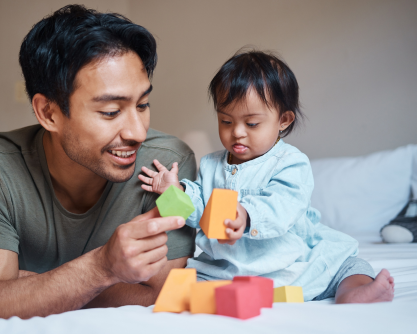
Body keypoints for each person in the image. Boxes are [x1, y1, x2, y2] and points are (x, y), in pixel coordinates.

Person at [0, 5, 196, 319]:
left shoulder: (168, 165)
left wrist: (31, 286)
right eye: (110, 112)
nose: (137, 132)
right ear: (48, 113)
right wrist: (102, 267)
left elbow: (162, 293)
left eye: (143, 104)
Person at [139, 50, 395, 303]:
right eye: (226, 121)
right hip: (226, 270)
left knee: (348, 264)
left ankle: (353, 292)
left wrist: (247, 215)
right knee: (184, 281)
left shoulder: (290, 163)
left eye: (251, 124)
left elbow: (284, 204)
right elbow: (200, 215)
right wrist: (176, 192)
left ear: (283, 120)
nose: (237, 132)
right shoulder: (210, 165)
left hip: (288, 267)